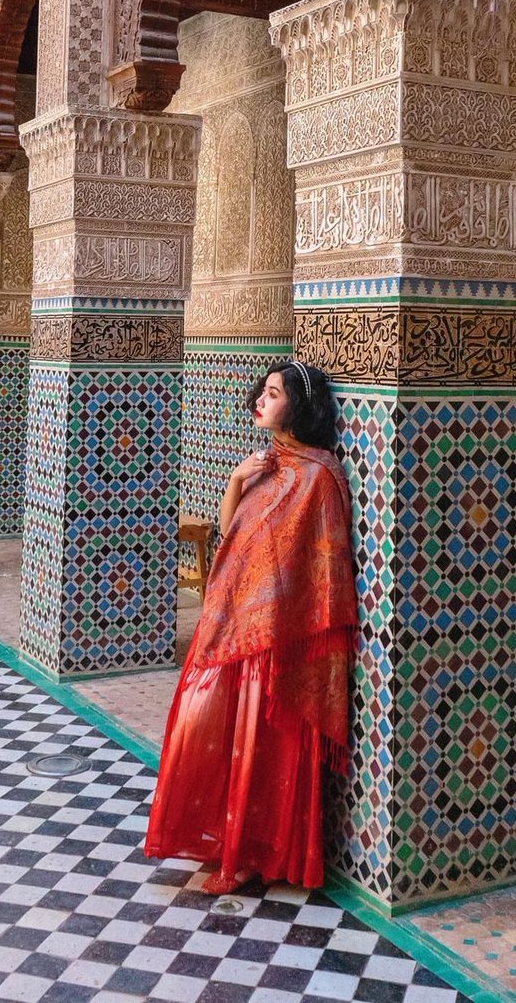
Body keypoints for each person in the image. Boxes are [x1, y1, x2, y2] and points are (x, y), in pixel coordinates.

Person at [144, 360, 358, 894]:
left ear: (299, 407)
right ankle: (229, 843)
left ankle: (248, 855)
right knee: (205, 725)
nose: (261, 401)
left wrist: (274, 613)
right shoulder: (267, 464)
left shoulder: (317, 474)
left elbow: (319, 563)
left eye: (274, 393)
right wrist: (239, 478)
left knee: (260, 747)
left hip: (277, 639)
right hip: (232, 623)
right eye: (261, 391)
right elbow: (229, 530)